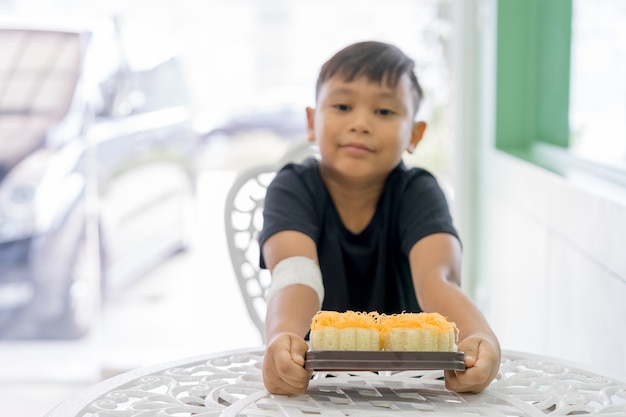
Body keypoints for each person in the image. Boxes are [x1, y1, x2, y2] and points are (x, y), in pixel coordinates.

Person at [258, 40, 500, 395]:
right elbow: (295, 272)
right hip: (316, 382)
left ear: (415, 134)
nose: (360, 124)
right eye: (342, 105)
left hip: (414, 385)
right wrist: (283, 337)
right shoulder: (292, 187)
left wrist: (479, 337)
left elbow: (438, 279)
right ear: (312, 121)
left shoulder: (418, 191)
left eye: (384, 112)